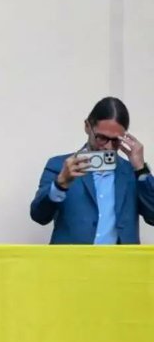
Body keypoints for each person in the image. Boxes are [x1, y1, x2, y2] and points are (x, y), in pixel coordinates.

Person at [30, 96, 154, 244]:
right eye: (101, 138)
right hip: (71, 264)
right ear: (87, 126)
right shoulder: (59, 166)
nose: (108, 146)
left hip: (120, 265)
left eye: (115, 140)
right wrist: (60, 184)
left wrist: (140, 168)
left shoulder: (132, 172)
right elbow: (39, 216)